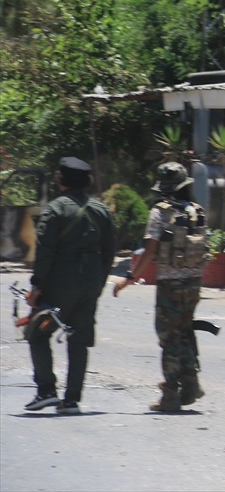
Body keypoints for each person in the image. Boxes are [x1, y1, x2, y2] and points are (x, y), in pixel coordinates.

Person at [113, 162, 209, 413]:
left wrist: (130, 277)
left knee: (168, 336)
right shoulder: (197, 210)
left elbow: (150, 250)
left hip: (170, 284)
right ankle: (191, 383)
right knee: (184, 331)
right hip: (194, 282)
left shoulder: (160, 212)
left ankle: (170, 395)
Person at [25, 157, 116, 414]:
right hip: (91, 283)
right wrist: (98, 282)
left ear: (61, 180)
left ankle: (46, 391)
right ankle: (72, 400)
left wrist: (36, 286)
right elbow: (110, 251)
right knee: (79, 340)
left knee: (37, 332)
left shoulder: (54, 210)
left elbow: (45, 252)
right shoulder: (102, 210)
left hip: (61, 284)